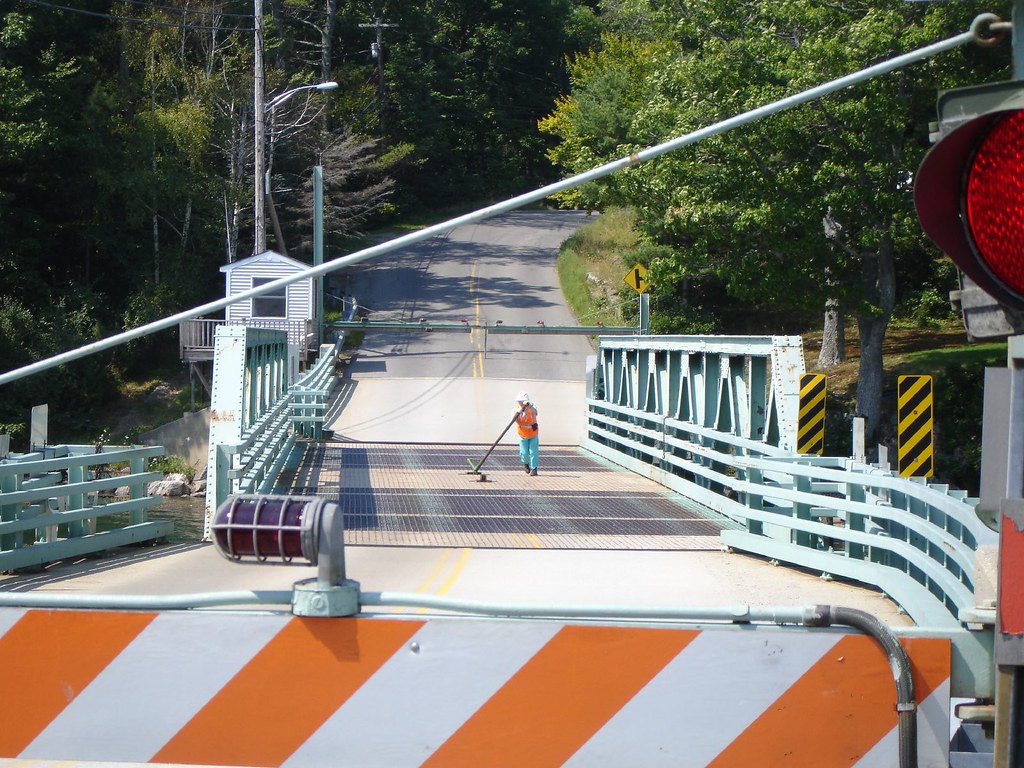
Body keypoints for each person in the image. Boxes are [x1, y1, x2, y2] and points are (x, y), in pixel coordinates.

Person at [514, 391, 539, 476]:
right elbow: (515, 419)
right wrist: (520, 411)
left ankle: (534, 469)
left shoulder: (532, 406)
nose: (520, 403)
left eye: (521, 401)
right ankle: (525, 464)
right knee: (524, 452)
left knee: (533, 451)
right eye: (519, 401)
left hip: (533, 433)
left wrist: (529, 406)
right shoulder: (516, 409)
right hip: (522, 433)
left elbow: (535, 412)